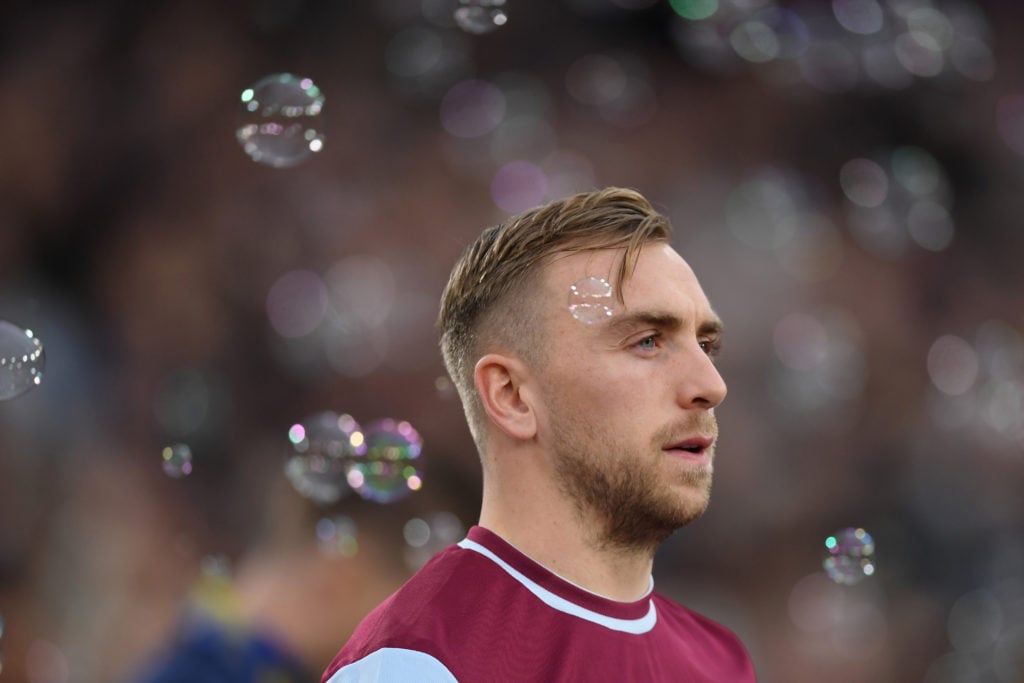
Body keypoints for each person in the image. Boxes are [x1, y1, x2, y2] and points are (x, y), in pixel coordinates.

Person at [321, 188, 756, 682]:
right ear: (511, 396)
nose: (711, 386)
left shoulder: (721, 661)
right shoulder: (417, 664)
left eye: (705, 344)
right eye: (648, 341)